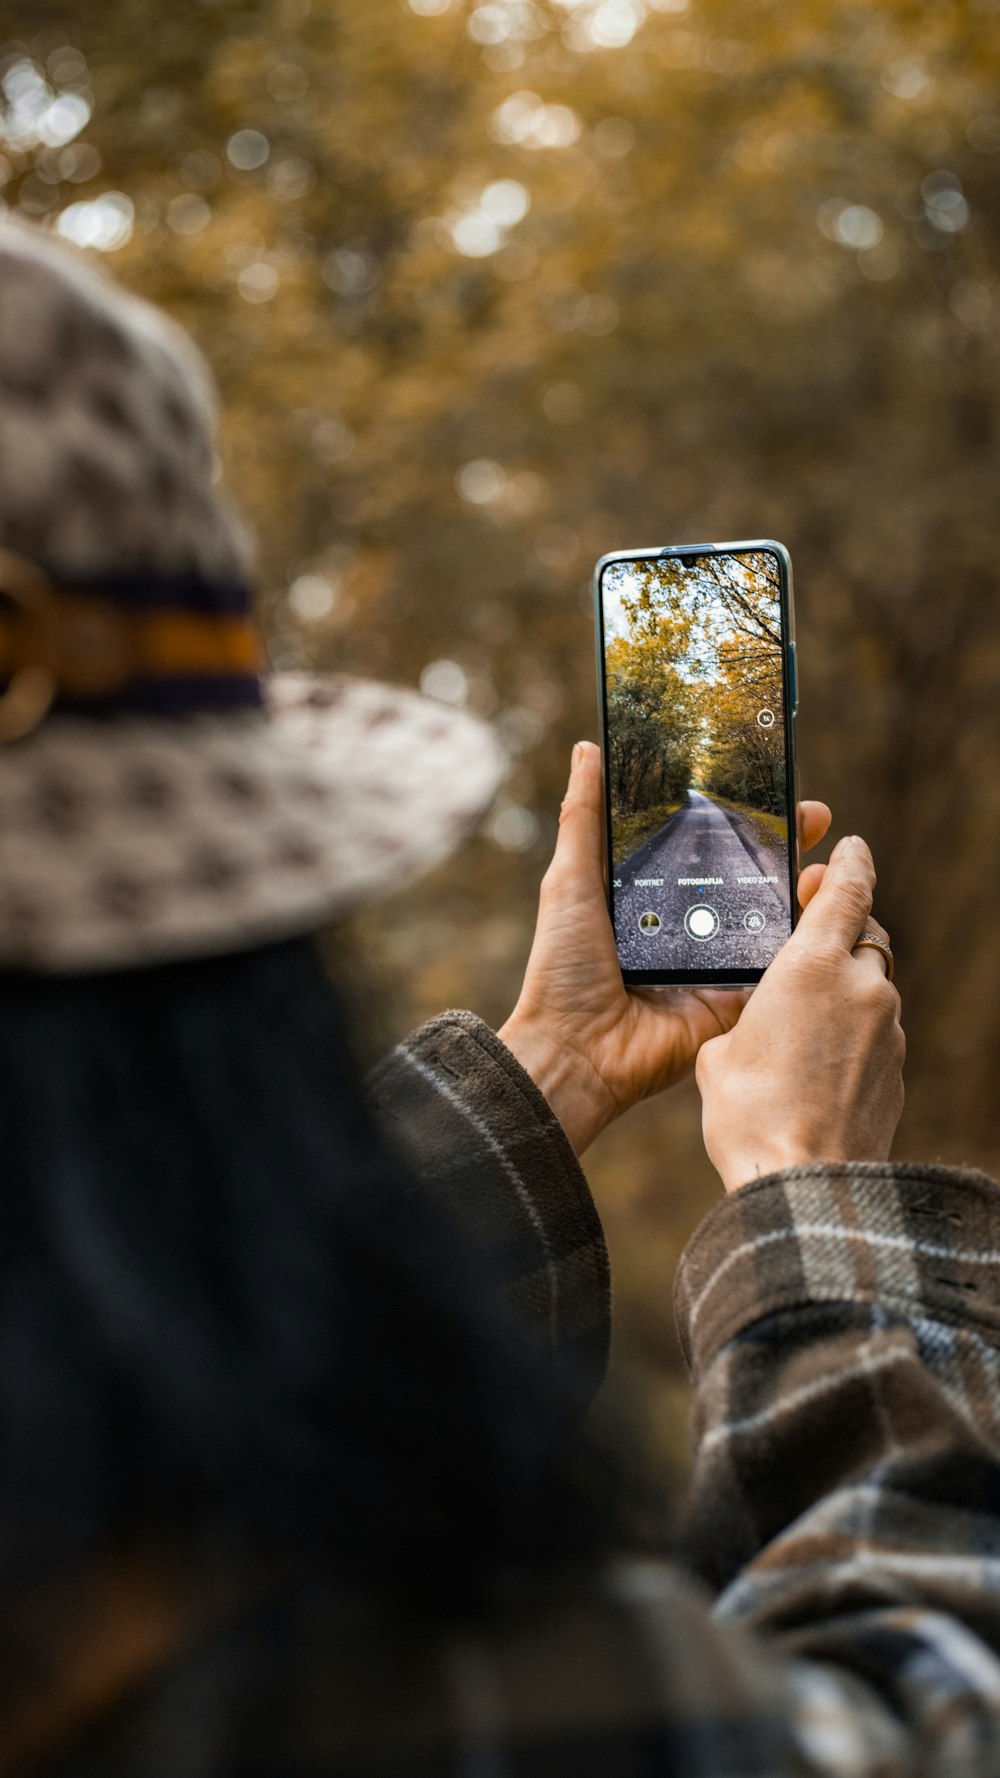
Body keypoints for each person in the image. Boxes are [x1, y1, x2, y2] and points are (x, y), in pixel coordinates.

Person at [0, 212, 995, 1778]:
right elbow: (921, 1724)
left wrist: (552, 1066)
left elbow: (221, 1322)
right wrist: (814, 1196)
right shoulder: (337, 1690)